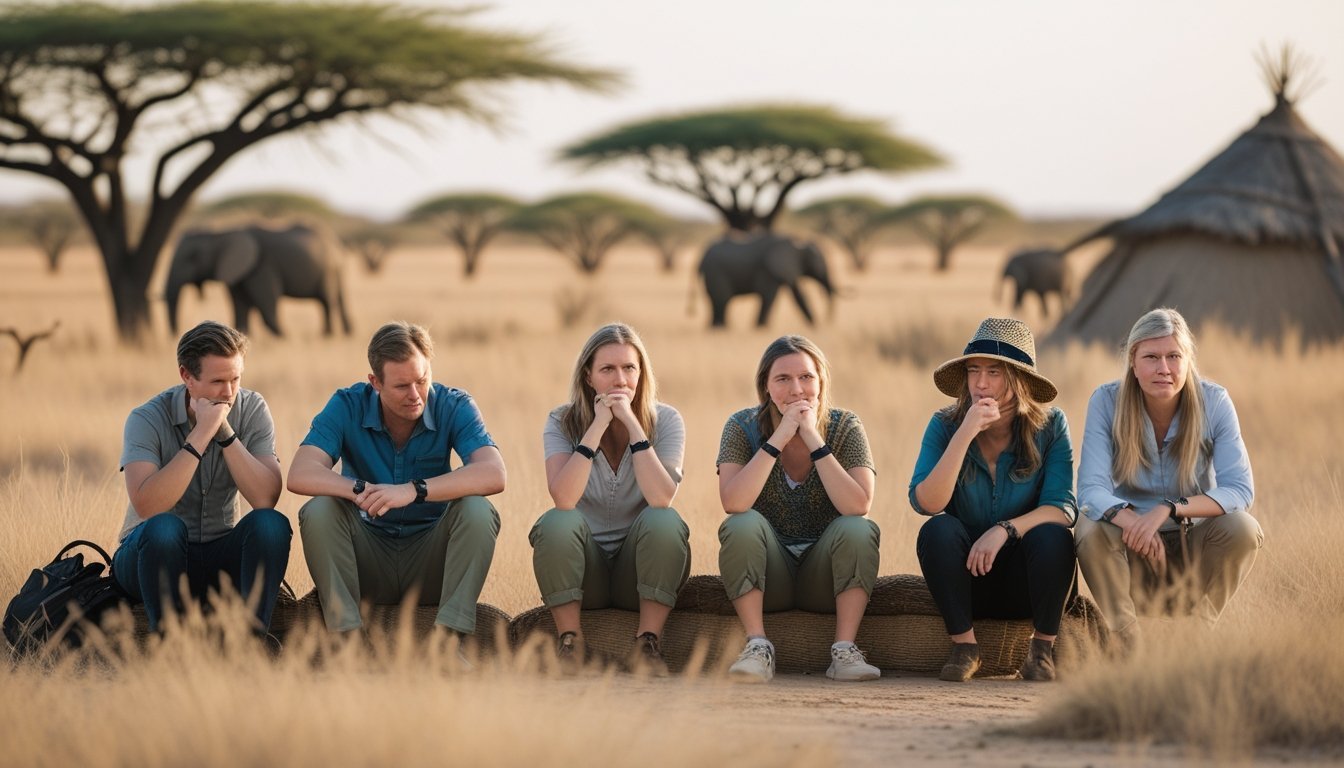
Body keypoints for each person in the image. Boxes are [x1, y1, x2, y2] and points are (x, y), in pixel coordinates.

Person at [287, 321, 505, 641]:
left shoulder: (455, 404)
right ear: (375, 382)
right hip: (366, 559)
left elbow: (494, 473)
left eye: (422, 380)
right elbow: (300, 473)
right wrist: (359, 490)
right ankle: (346, 640)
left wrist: (412, 491)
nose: (416, 395)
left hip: (431, 562)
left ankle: (450, 640)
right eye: (402, 386)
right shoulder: (347, 404)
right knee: (319, 509)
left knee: (478, 510)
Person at [1076, 308, 1261, 649]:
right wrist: (1132, 521)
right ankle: (1126, 641)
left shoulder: (1215, 401)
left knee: (1244, 529)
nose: (1164, 368)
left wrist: (1169, 509)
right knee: (1088, 528)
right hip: (1130, 553)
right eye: (1151, 357)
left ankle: (1199, 636)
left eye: (1174, 356)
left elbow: (1240, 489)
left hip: (1192, 546)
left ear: (1187, 359)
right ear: (1133, 361)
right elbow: (1090, 489)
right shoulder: (1106, 401)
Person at [910, 318, 1077, 682]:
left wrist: (1005, 530)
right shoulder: (945, 424)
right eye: (973, 371)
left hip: (1025, 580)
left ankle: (1041, 651)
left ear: (1018, 379)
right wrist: (966, 432)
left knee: (1054, 537)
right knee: (936, 530)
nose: (980, 383)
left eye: (994, 372)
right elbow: (927, 501)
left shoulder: (1050, 427)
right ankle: (965, 647)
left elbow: (1062, 509)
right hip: (967, 578)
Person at [716, 335, 881, 683]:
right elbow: (733, 501)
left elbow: (858, 503)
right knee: (741, 524)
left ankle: (845, 650)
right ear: (766, 386)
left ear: (821, 381)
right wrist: (778, 438)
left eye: (806, 377)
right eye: (783, 379)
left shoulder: (845, 425)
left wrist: (812, 438)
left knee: (859, 527)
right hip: (770, 573)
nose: (796, 389)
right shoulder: (741, 426)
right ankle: (758, 646)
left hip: (824, 574)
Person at [114, 321, 291, 641]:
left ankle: (251, 641)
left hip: (219, 552)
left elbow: (265, 498)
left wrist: (224, 433)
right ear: (187, 377)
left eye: (235, 379)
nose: (229, 393)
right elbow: (148, 505)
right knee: (166, 528)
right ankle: (170, 644)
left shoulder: (252, 409)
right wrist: (200, 435)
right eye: (218, 381)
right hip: (148, 556)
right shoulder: (145, 418)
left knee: (271, 524)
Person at [530, 323, 690, 675]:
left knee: (665, 521)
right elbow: (564, 497)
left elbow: (662, 498)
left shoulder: (667, 420)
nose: (620, 380)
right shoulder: (561, 420)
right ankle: (570, 643)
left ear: (641, 373)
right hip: (586, 572)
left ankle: (647, 643)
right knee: (556, 522)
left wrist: (633, 425)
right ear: (589, 377)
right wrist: (596, 427)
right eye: (608, 369)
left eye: (629, 368)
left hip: (639, 569)